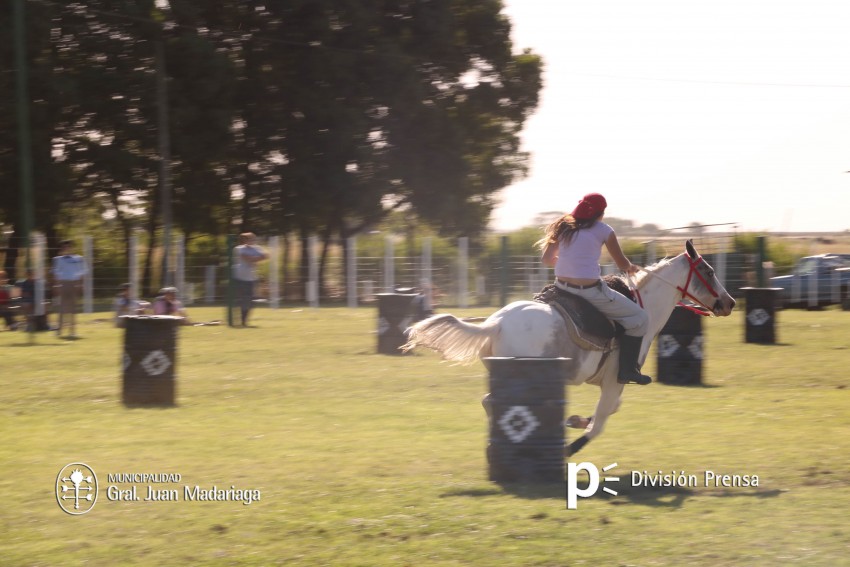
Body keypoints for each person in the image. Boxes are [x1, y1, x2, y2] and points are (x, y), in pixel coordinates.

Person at [538, 193, 652, 385]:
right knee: (641, 319)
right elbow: (621, 263)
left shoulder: (563, 227)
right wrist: (630, 268)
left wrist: (569, 261)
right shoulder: (604, 230)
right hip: (589, 291)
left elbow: (547, 259)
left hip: (561, 288)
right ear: (601, 212)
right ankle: (627, 370)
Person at [232, 232, 268, 327]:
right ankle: (236, 319)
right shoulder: (238, 249)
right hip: (239, 277)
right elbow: (246, 258)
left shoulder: (257, 248)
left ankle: (244, 321)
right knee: (239, 299)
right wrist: (257, 258)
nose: (253, 241)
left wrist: (254, 259)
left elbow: (266, 256)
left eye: (254, 239)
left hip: (251, 278)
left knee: (250, 300)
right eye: (251, 239)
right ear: (245, 240)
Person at [52, 240, 87, 338]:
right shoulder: (58, 259)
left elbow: (83, 272)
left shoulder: (79, 258)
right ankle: (59, 330)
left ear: (72, 248)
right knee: (62, 307)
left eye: (68, 247)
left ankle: (72, 331)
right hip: (63, 283)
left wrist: (80, 284)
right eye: (64, 247)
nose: (66, 249)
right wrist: (56, 285)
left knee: (73, 308)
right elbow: (56, 273)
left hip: (74, 283)